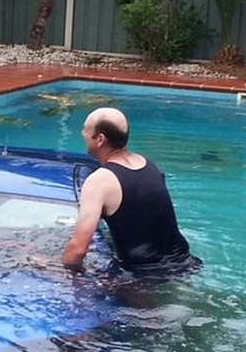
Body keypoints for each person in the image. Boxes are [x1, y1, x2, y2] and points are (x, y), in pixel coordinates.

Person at [62, 107, 199, 273]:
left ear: (100, 139)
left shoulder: (99, 181)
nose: (82, 133)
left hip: (143, 277)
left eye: (85, 129)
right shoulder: (150, 165)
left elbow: (78, 250)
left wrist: (53, 268)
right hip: (186, 264)